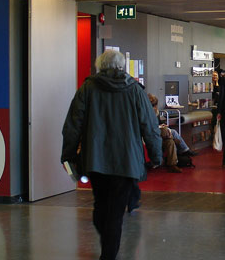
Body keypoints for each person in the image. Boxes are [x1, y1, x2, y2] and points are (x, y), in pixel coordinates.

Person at [61, 49, 163, 260]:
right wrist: (156, 155)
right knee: (115, 212)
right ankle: (109, 253)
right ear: (122, 66)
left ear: (100, 66)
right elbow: (150, 125)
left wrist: (69, 155)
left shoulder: (87, 88)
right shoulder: (135, 90)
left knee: (101, 205)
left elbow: (73, 124)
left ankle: (107, 253)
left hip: (95, 160)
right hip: (126, 161)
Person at [148, 93, 184, 173]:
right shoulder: (145, 113)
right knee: (166, 131)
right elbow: (148, 127)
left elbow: (159, 122)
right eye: (153, 105)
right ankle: (175, 140)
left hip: (158, 133)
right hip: (150, 134)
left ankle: (172, 165)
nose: (154, 107)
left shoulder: (156, 112)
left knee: (169, 142)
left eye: (155, 105)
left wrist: (161, 125)